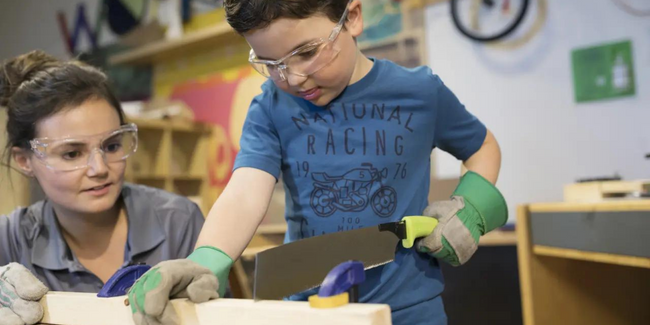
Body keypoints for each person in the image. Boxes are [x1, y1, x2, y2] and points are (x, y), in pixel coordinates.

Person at [128, 1, 508, 324]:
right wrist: (206, 258)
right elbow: (245, 192)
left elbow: (482, 147)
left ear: (353, 17)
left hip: (409, 309)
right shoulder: (270, 107)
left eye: (306, 53)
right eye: (270, 63)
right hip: (311, 309)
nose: (291, 77)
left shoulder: (421, 92)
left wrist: (470, 208)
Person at [0, 51, 208, 325]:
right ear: (24, 161)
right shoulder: (10, 239)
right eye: (72, 153)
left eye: (111, 146)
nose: (99, 168)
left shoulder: (178, 222)